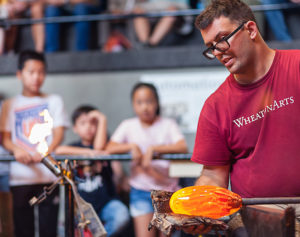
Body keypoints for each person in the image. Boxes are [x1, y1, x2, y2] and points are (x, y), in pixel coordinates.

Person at [190, 0, 300, 233]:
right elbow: (212, 174)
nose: (218, 52)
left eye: (222, 39)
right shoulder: (216, 106)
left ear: (250, 29)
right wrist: (194, 208)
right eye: (211, 47)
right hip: (258, 218)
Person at [0, 50, 69, 237]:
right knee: (23, 229)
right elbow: (5, 137)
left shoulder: (54, 100)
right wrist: (16, 150)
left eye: (41, 72)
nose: (36, 77)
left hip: (48, 176)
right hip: (21, 176)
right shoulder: (9, 104)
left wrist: (46, 151)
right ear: (19, 74)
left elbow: (59, 133)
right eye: (31, 72)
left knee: (49, 229)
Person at [106, 82, 188, 237]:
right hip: (141, 191)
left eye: (149, 101)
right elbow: (109, 147)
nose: (145, 107)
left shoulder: (168, 124)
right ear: (133, 105)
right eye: (139, 102)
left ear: (156, 103)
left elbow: (182, 147)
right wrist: (131, 146)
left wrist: (154, 149)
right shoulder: (128, 125)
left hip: (168, 192)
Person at [55, 105, 130, 236]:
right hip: (81, 206)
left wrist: (102, 119)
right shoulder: (74, 147)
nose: (89, 127)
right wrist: (90, 153)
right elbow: (59, 150)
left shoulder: (106, 147)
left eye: (94, 123)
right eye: (83, 123)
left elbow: (99, 147)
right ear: (75, 128)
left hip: (106, 202)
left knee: (121, 214)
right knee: (68, 229)